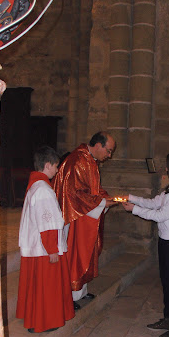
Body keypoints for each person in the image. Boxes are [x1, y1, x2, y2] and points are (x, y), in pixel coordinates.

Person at [122, 149, 169, 337]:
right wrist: (130, 197)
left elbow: (162, 215)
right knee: (165, 279)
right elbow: (155, 203)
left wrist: (135, 210)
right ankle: (168, 317)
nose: (166, 168)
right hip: (166, 237)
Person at [53, 132, 116, 310]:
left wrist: (109, 198)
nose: (109, 156)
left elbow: (93, 190)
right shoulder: (77, 161)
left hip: (84, 216)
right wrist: (103, 202)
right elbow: (74, 193)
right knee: (74, 255)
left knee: (84, 253)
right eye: (108, 151)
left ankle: (80, 291)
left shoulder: (90, 161)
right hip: (73, 217)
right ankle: (68, 294)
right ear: (98, 145)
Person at [16, 146, 75, 333]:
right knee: (47, 287)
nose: (57, 170)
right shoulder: (43, 190)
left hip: (37, 246)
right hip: (44, 249)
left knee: (38, 287)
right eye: (56, 166)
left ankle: (36, 318)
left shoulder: (35, 186)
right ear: (47, 165)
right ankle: (44, 321)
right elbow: (47, 223)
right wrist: (52, 249)